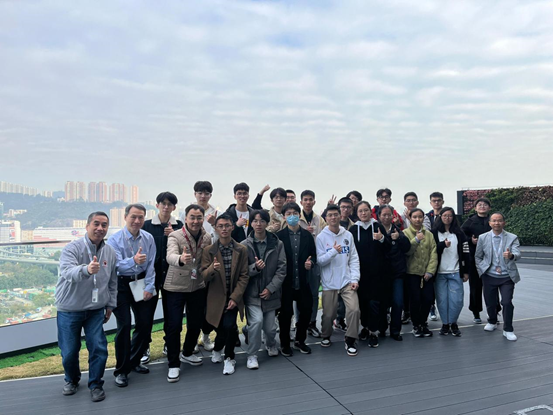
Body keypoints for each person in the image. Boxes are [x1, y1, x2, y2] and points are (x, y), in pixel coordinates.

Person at [56, 212, 117, 402]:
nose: (100, 228)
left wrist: (110, 304)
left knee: (98, 347)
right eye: (96, 224)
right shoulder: (72, 248)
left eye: (104, 225)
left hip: (95, 309)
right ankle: (72, 379)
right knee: (69, 351)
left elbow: (112, 281)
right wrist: (86, 270)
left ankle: (96, 384)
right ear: (87, 226)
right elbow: (67, 272)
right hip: (69, 308)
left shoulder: (110, 252)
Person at [107, 204, 157, 388]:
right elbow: (116, 265)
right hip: (121, 284)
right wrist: (133, 261)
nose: (137, 221)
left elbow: (151, 264)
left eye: (141, 217)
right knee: (125, 325)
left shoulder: (148, 237)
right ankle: (121, 370)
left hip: (141, 282)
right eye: (133, 217)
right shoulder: (114, 240)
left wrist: (150, 287)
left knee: (145, 324)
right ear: (125, 217)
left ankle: (134, 361)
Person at [163, 204, 212, 383]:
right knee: (174, 325)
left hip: (197, 285)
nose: (195, 221)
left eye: (199, 217)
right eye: (192, 217)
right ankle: (173, 364)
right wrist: (181, 259)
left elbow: (208, 258)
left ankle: (187, 352)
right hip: (175, 287)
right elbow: (170, 256)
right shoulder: (175, 236)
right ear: (185, 218)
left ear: (203, 219)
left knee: (195, 323)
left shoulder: (207, 237)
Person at [200, 213, 250, 375]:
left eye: (227, 225)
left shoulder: (241, 249)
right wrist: (212, 269)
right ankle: (217, 348)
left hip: (233, 296)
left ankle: (229, 357)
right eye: (220, 226)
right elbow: (203, 276)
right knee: (220, 328)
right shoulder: (209, 251)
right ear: (215, 228)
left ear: (233, 227)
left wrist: (235, 297)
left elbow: (244, 275)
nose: (224, 229)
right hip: (215, 298)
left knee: (230, 326)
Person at [140, 191, 183, 364]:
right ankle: (144, 346)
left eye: (169, 204)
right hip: (150, 277)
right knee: (145, 315)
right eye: (163, 203)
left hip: (173, 277)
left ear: (174, 207)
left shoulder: (179, 226)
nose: (166, 207)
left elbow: (185, 248)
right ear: (157, 205)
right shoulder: (146, 225)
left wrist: (174, 234)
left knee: (172, 315)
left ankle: (169, 344)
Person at [242, 210, 286, 369]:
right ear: (251, 223)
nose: (258, 224)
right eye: (255, 221)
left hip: (270, 294)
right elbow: (241, 271)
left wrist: (270, 289)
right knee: (256, 322)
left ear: (267, 223)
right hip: (252, 294)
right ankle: (252, 354)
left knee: (270, 328)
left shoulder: (277, 244)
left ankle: (271, 344)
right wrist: (255, 268)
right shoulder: (244, 245)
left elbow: (282, 269)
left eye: (262, 221)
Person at [316, 204, 361, 356]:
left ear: (340, 216)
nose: (333, 217)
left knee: (354, 309)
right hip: (329, 282)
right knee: (329, 314)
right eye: (330, 215)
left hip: (347, 281)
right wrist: (333, 252)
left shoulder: (347, 235)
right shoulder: (321, 237)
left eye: (336, 214)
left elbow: (353, 258)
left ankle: (350, 339)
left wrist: (355, 278)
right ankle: (326, 335)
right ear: (326, 218)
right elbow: (320, 261)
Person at [276, 202, 317, 356]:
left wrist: (311, 263)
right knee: (285, 315)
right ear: (284, 217)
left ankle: (300, 340)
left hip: (303, 281)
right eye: (288, 214)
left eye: (294, 213)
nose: (292, 216)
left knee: (306, 311)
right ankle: (285, 343)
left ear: (299, 216)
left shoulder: (307, 235)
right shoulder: (279, 237)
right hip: (285, 283)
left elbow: (314, 255)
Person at [475, 212, 521, 341]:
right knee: (490, 302)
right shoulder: (483, 237)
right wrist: (481, 269)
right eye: (494, 221)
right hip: (489, 275)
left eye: (499, 220)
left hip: (507, 276)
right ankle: (492, 321)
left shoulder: (512, 237)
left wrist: (511, 255)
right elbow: (478, 256)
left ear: (504, 223)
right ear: (490, 223)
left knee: (506, 302)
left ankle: (508, 329)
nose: (497, 223)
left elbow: (517, 253)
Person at [350, 201, 387, 348]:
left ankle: (373, 331)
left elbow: (388, 247)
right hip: (360, 273)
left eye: (366, 210)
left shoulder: (378, 227)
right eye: (360, 211)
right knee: (362, 303)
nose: (363, 213)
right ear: (357, 213)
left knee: (374, 303)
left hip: (377, 274)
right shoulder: (353, 229)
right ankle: (365, 327)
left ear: (370, 211)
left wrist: (382, 239)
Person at [431, 207, 470, 336]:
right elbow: (431, 250)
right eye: (445, 215)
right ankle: (445, 324)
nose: (447, 218)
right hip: (440, 273)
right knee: (442, 300)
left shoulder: (459, 233)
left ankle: (453, 322)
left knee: (457, 300)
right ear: (440, 217)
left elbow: (466, 252)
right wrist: (442, 245)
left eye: (450, 216)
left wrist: (466, 271)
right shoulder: (434, 233)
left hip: (456, 271)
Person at [192, 181, 219, 354]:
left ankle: (206, 336)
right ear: (195, 194)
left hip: (210, 262)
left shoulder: (216, 213)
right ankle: (192, 338)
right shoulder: (188, 212)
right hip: (192, 264)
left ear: (210, 195)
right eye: (200, 193)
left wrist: (215, 224)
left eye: (206, 193)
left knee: (210, 303)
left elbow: (220, 237)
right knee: (194, 305)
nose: (203, 196)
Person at [403, 208, 438, 338]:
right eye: (415, 217)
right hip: (412, 273)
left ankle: (424, 323)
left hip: (427, 274)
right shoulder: (405, 233)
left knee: (427, 299)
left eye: (420, 217)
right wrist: (416, 240)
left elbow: (433, 253)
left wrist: (430, 271)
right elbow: (406, 251)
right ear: (410, 218)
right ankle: (416, 325)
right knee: (415, 300)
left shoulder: (429, 234)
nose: (417, 219)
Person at [377, 205, 410, 341]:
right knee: (382, 303)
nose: (386, 217)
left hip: (397, 273)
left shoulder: (398, 230)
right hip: (381, 274)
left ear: (393, 216)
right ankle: (382, 328)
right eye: (384, 215)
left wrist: (399, 238)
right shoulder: (376, 230)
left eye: (389, 214)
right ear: (379, 216)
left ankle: (395, 331)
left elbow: (407, 248)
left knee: (398, 302)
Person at [297, 190, 327, 338]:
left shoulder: (319, 220)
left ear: (314, 201)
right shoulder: (296, 218)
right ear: (301, 202)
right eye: (305, 200)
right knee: (298, 294)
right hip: (298, 262)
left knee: (314, 294)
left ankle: (312, 323)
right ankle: (298, 323)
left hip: (315, 260)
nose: (308, 202)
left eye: (310, 199)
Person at [461, 197, 495, 324]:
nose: (482, 206)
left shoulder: (493, 220)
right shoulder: (470, 221)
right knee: (475, 287)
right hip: (474, 259)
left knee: (492, 286)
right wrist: (470, 240)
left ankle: (494, 311)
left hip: (491, 258)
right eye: (479, 204)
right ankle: (476, 312)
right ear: (475, 208)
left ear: (489, 208)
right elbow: (461, 234)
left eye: (485, 204)